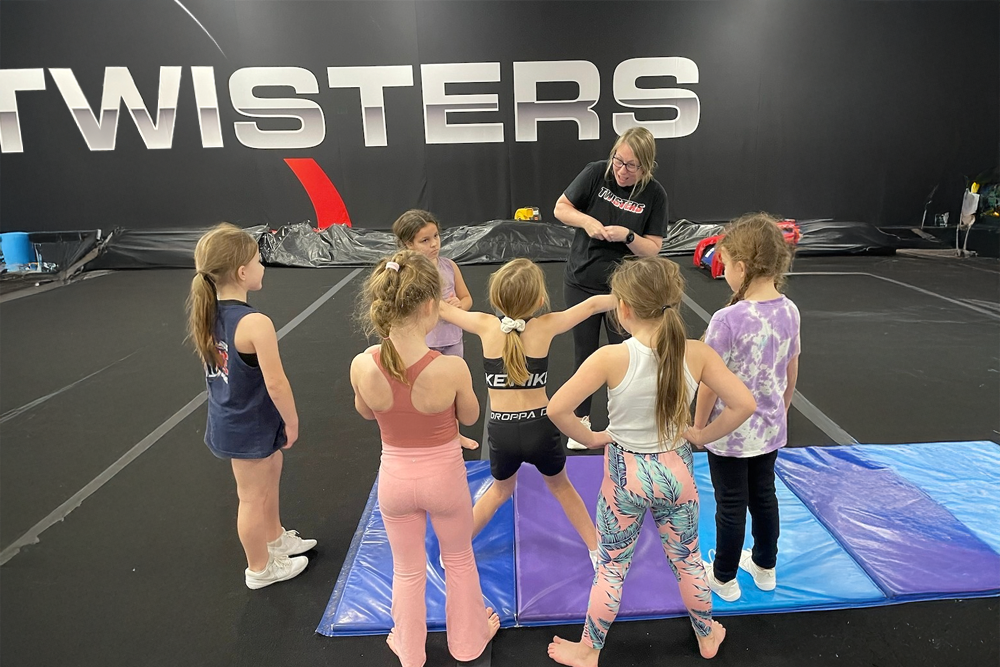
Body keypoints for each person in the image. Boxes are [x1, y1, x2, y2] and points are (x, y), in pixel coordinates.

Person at [545, 256, 757, 665]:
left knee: (612, 566)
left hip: (626, 473)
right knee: (688, 560)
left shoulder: (610, 357)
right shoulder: (697, 353)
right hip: (676, 469)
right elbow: (744, 404)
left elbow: (557, 409)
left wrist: (592, 437)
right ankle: (707, 634)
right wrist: (701, 435)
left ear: (623, 309)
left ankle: (589, 649)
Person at [350, 250, 500, 667]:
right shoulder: (449, 368)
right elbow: (470, 417)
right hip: (444, 480)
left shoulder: (362, 364)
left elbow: (366, 411)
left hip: (395, 481)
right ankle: (468, 644)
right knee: (459, 559)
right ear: (431, 306)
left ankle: (410, 649)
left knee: (407, 569)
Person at [439, 258, 617, 567]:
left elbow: (441, 309)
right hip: (540, 428)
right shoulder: (544, 326)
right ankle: (595, 550)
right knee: (562, 488)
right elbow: (591, 306)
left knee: (499, 491)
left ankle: (454, 551)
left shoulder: (484, 324)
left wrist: (409, 272)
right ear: (539, 299)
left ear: (496, 298)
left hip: (502, 431)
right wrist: (628, 294)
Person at [186, 223, 315, 590]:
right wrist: (292, 421)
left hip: (243, 416)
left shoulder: (208, 311)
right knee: (251, 497)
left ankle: (274, 539)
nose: (262, 267)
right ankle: (259, 568)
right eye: (259, 261)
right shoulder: (255, 323)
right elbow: (276, 383)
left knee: (271, 470)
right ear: (242, 272)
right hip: (246, 424)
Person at [693, 213, 800, 602]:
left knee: (731, 503)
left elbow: (709, 381)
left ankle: (723, 576)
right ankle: (765, 566)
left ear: (740, 266)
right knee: (764, 496)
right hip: (769, 427)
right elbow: (791, 369)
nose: (723, 274)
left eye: (724, 266)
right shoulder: (790, 310)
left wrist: (699, 429)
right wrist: (781, 412)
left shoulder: (728, 319)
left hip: (729, 432)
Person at [553, 127, 669, 449]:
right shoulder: (596, 173)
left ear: (646, 167)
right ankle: (581, 418)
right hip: (582, 280)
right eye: (618, 161)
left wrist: (628, 237)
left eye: (631, 166)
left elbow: (653, 249)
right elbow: (561, 207)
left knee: (626, 355)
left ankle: (624, 422)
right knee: (584, 352)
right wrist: (586, 221)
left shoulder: (655, 194)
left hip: (625, 291)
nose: (621, 170)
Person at [392, 209, 478, 450]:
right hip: (421, 343)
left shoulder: (449, 266)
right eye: (425, 240)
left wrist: (460, 305)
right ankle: (421, 435)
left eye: (436, 237)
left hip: (451, 339)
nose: (434, 244)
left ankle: (454, 434)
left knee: (452, 389)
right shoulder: (404, 272)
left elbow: (467, 298)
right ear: (408, 243)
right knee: (419, 391)